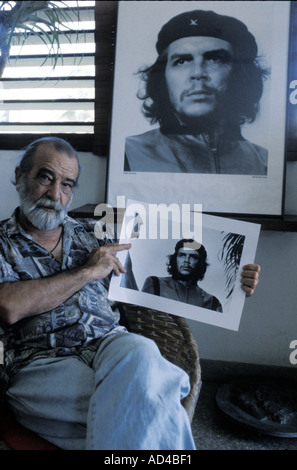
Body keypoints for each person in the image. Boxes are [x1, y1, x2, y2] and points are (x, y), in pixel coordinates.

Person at [0, 137, 260, 450]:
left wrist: (234, 282)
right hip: (40, 361)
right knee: (151, 400)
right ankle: (164, 388)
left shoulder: (94, 234)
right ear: (19, 176)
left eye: (67, 184)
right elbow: (9, 306)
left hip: (111, 344)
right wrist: (86, 272)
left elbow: (157, 279)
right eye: (45, 177)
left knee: (141, 353)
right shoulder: (3, 242)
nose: (56, 194)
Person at [124, 9, 269, 175]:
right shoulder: (129, 155)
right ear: (163, 78)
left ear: (240, 76)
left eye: (215, 59)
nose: (198, 73)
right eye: (182, 61)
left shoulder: (263, 163)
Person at [142, 239, 223, 311]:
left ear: (200, 263)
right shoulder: (155, 284)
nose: (186, 261)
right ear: (175, 259)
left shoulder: (212, 302)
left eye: (193, 257)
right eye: (182, 255)